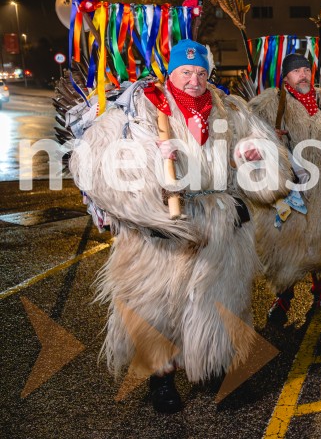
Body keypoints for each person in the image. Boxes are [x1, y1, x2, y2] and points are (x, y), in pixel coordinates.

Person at [69, 39, 290, 413]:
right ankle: (162, 378)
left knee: (220, 302)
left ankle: (216, 364)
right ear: (171, 72)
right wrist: (151, 164)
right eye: (186, 72)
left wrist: (252, 157)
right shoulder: (141, 107)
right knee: (157, 305)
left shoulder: (233, 111)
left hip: (220, 224)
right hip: (163, 228)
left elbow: (273, 166)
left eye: (201, 72)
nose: (194, 79)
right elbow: (95, 160)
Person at [248, 53, 321, 323]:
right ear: (285, 76)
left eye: (306, 69)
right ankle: (282, 297)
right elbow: (249, 133)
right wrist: (271, 141)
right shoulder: (270, 104)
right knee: (285, 246)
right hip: (288, 191)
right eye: (296, 71)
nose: (303, 75)